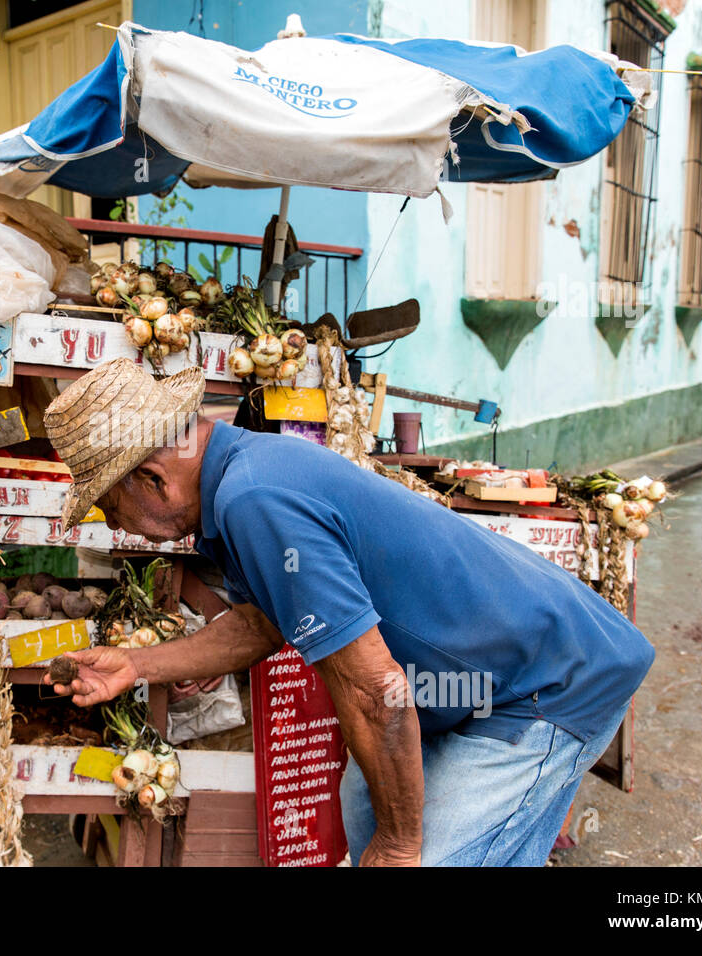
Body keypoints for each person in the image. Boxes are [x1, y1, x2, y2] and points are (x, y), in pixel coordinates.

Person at [41, 358, 655, 867]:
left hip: (547, 683)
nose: (113, 523)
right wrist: (135, 664)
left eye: (105, 505)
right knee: (368, 812)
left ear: (152, 479)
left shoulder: (255, 498)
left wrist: (399, 845)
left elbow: (372, 691)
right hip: (466, 689)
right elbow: (261, 622)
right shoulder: (241, 480)